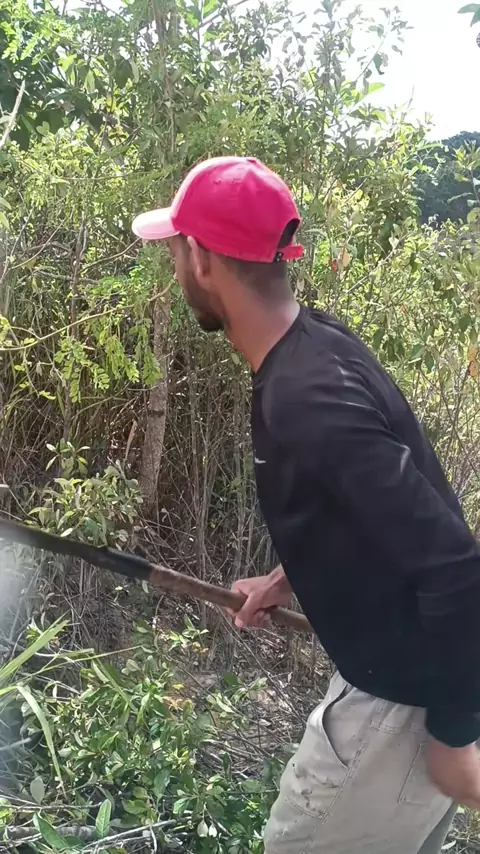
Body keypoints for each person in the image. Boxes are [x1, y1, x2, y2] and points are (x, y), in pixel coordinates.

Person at [132, 156, 480, 854]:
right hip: (406, 699)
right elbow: (372, 513)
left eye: (175, 252)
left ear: (200, 258)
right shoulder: (315, 346)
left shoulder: (306, 395)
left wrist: (454, 732)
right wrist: (283, 579)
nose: (175, 269)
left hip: (399, 712)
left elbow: (453, 564)